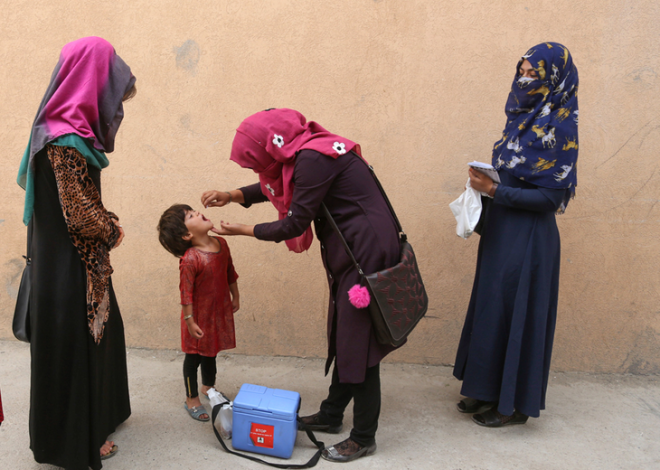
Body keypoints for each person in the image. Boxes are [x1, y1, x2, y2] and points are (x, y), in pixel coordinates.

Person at [200, 108, 401, 462]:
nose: (256, 170)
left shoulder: (312, 160)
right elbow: (276, 184)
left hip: (365, 254)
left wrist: (242, 230)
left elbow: (294, 223)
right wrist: (231, 195)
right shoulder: (305, 152)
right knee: (346, 335)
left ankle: (364, 436)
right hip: (355, 249)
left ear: (270, 146)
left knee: (360, 345)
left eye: (255, 161)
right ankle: (332, 414)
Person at [16, 37, 136, 468]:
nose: (114, 107)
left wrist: (103, 221)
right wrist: (113, 229)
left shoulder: (60, 132)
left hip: (70, 264)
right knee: (74, 348)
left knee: (105, 336)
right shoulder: (65, 141)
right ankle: (74, 441)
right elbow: (82, 217)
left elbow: (76, 202)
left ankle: (99, 418)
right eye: (111, 92)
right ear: (92, 85)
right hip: (72, 272)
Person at [453, 42, 579, 427]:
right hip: (502, 231)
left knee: (518, 314)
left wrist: (495, 192)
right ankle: (486, 389)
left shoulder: (559, 126)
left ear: (553, 80)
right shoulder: (521, 118)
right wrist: (485, 184)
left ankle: (515, 407)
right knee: (493, 309)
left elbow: (550, 196)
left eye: (533, 74)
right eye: (521, 71)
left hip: (529, 239)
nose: (524, 80)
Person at [157, 204, 240, 422]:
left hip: (217, 315)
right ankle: (191, 398)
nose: (198, 213)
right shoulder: (191, 259)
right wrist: (190, 321)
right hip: (197, 318)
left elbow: (230, 272)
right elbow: (186, 292)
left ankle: (208, 387)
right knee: (193, 358)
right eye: (191, 216)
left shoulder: (221, 243)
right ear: (187, 234)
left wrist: (236, 296)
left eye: (194, 210)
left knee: (211, 353)